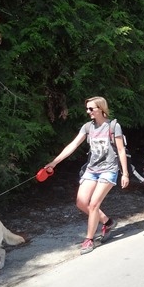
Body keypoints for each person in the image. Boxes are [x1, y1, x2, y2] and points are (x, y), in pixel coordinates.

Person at [45, 96, 129, 255]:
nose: (88, 111)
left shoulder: (113, 126)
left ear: (101, 109)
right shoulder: (87, 127)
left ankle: (89, 239)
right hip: (92, 169)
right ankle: (108, 222)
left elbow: (120, 150)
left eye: (91, 108)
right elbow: (73, 145)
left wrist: (125, 173)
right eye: (87, 108)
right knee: (81, 202)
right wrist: (54, 162)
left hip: (109, 169)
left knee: (93, 204)